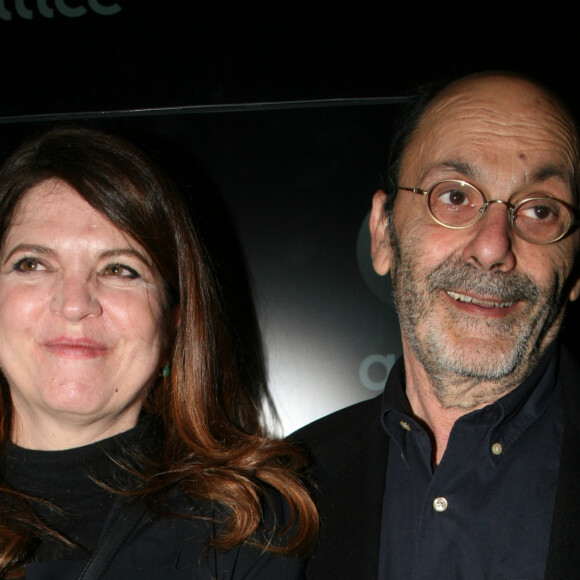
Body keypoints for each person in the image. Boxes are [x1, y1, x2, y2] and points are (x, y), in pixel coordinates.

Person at [294, 71, 580, 579]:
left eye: (540, 209)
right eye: (453, 197)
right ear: (383, 233)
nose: (492, 247)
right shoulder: (280, 493)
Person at [0, 126, 318, 579]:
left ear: (173, 323)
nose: (74, 303)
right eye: (31, 263)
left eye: (119, 269)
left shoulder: (246, 530)